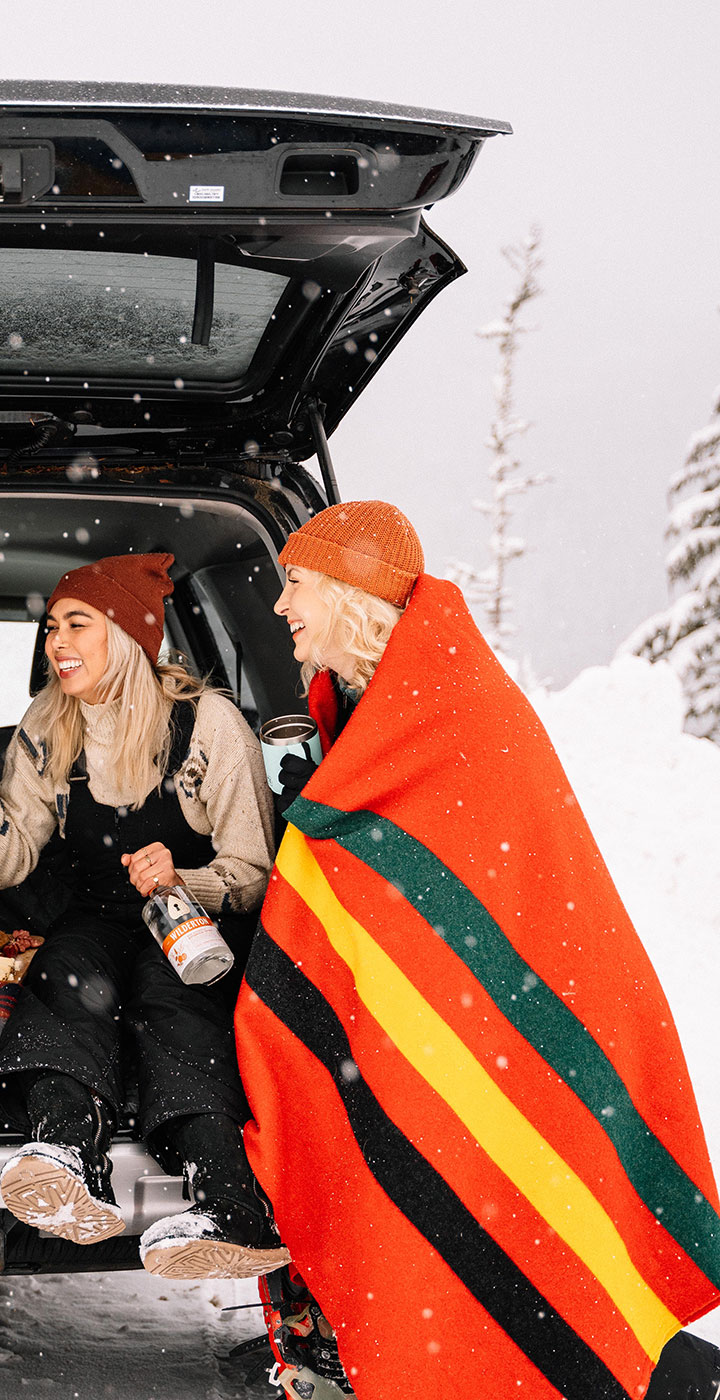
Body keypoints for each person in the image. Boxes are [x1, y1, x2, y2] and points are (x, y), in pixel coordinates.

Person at [235, 500, 720, 1400]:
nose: (279, 606)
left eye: (296, 583)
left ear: (352, 593)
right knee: (429, 1175)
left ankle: (628, 1373)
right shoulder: (369, 705)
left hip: (502, 1017)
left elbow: (476, 892)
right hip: (443, 1016)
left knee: (518, 1191)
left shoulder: (450, 705)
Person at [0, 552, 286, 1279]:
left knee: (171, 998)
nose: (56, 642)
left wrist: (184, 877)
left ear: (126, 634)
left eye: (78, 624)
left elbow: (252, 874)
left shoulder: (206, 725)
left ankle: (228, 1202)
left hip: (189, 917)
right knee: (66, 977)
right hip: (95, 914)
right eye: (53, 626)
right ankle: (65, 1156)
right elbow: (12, 864)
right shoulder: (47, 725)